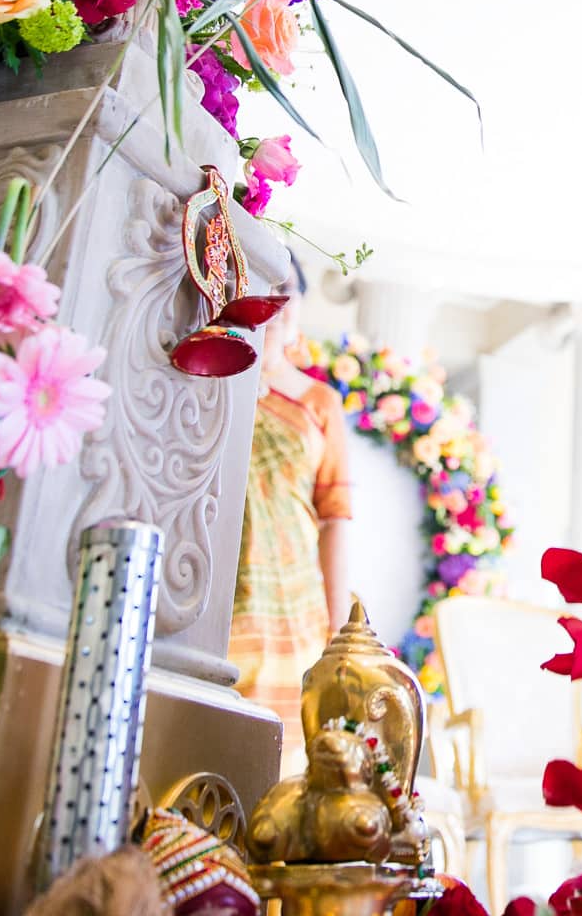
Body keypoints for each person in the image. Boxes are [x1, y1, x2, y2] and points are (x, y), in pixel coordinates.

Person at [229, 260, 354, 778]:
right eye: (266, 285)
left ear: (301, 304)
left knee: (282, 765)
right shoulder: (218, 375)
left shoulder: (319, 401)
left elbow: (336, 518)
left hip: (295, 607)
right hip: (224, 598)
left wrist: (338, 628)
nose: (277, 298)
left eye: (289, 288)